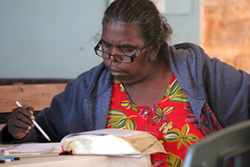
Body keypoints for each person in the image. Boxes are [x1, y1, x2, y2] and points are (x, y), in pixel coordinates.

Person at [1, 0, 250, 166]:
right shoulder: (89, 89)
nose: (112, 58)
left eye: (126, 49)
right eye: (107, 46)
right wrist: (20, 130)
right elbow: (44, 134)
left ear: (153, 48)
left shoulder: (198, 73)